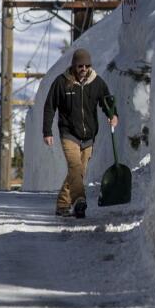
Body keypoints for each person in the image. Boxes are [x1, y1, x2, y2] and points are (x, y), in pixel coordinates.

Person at [42, 48, 118, 218]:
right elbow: (49, 107)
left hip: (89, 136)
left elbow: (107, 101)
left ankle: (62, 204)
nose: (83, 69)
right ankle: (79, 201)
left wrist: (113, 115)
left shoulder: (96, 82)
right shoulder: (61, 83)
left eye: (87, 65)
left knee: (78, 172)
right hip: (69, 133)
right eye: (80, 66)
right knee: (75, 167)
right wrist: (47, 131)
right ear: (74, 66)